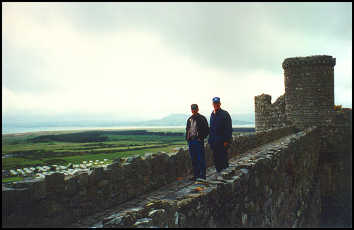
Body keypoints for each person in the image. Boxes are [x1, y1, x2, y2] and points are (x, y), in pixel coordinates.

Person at [208, 97, 232, 180]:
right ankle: (219, 175)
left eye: (217, 103)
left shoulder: (225, 114)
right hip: (214, 142)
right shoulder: (212, 114)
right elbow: (211, 129)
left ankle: (226, 177)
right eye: (214, 103)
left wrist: (227, 141)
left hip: (222, 142)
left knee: (223, 159)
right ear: (212, 104)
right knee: (216, 160)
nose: (216, 105)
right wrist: (210, 141)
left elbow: (228, 129)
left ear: (220, 104)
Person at [186, 104, 209, 182]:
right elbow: (187, 130)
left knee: (200, 159)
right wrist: (188, 139)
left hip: (198, 141)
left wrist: (201, 138)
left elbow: (207, 130)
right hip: (191, 141)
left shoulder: (202, 118)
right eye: (192, 109)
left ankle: (202, 176)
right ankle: (196, 175)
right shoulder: (189, 119)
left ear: (198, 109)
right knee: (194, 159)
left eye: (195, 109)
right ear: (191, 110)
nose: (193, 110)